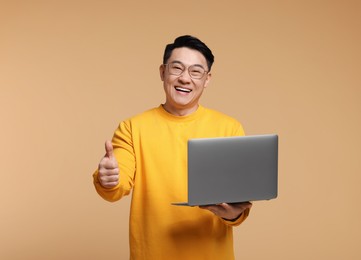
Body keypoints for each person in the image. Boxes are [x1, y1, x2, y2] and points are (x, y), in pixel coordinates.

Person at [93, 35, 252, 260]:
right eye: (177, 68)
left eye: (196, 71)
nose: (185, 78)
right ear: (162, 72)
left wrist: (235, 213)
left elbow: (238, 206)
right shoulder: (132, 127)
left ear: (207, 79)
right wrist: (108, 178)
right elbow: (116, 185)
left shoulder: (230, 128)